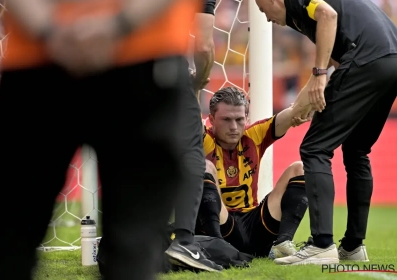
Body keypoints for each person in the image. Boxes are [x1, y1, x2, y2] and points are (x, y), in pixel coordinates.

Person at [0, 1, 199, 279]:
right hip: (145, 51)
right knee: (133, 249)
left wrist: (48, 32)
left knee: (9, 241)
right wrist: (118, 27)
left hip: (37, 53)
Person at [255, 0, 397, 265]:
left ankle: (322, 244)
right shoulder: (308, 16)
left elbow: (327, 15)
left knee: (315, 148)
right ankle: (353, 246)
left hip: (365, 59)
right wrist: (306, 100)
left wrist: (320, 75)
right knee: (357, 151)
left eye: (264, 10)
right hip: (390, 63)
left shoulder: (298, 2)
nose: (266, 18)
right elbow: (335, 52)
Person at [195, 86, 311, 259]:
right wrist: (195, 85)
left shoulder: (255, 135)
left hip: (255, 225)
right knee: (204, 166)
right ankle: (215, 245)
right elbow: (189, 120)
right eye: (226, 119)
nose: (234, 127)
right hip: (220, 224)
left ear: (246, 118)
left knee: (300, 168)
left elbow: (296, 110)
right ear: (211, 119)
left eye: (239, 119)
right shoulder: (203, 139)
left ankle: (283, 244)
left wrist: (319, 75)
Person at [164, 0, 223, 272]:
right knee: (191, 149)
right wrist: (199, 81)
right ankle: (184, 239)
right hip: (162, 69)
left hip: (112, 69)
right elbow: (203, 45)